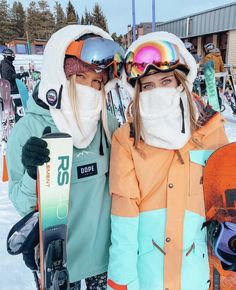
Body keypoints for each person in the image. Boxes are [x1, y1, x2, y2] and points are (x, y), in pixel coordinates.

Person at [107, 31, 231, 290]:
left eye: (166, 81)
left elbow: (225, 201)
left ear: (180, 84)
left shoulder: (209, 131)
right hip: (148, 275)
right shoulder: (126, 140)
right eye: (148, 86)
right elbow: (124, 218)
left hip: (197, 275)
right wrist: (122, 281)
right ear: (137, 91)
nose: (158, 91)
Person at [6, 25, 124, 290]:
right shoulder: (29, 130)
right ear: (60, 77)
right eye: (81, 76)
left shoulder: (107, 124)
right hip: (57, 261)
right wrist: (32, 175)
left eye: (97, 82)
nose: (90, 88)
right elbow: (22, 204)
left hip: (101, 257)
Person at [0, 48, 28, 121]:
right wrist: (20, 75)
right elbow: (8, 77)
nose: (13, 57)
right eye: (12, 55)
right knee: (19, 104)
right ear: (7, 56)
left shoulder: (7, 64)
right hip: (11, 89)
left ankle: (18, 117)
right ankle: (19, 119)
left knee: (18, 104)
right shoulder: (6, 65)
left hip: (11, 87)